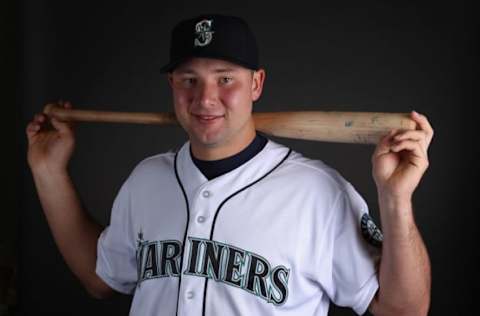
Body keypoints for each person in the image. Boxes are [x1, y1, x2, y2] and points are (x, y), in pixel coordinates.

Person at [26, 14, 433, 316]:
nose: (205, 99)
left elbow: (403, 311)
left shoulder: (318, 192)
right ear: (172, 85)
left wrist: (395, 199)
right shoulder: (146, 180)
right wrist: (48, 172)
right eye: (189, 79)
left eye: (225, 79)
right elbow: (100, 279)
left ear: (256, 84)